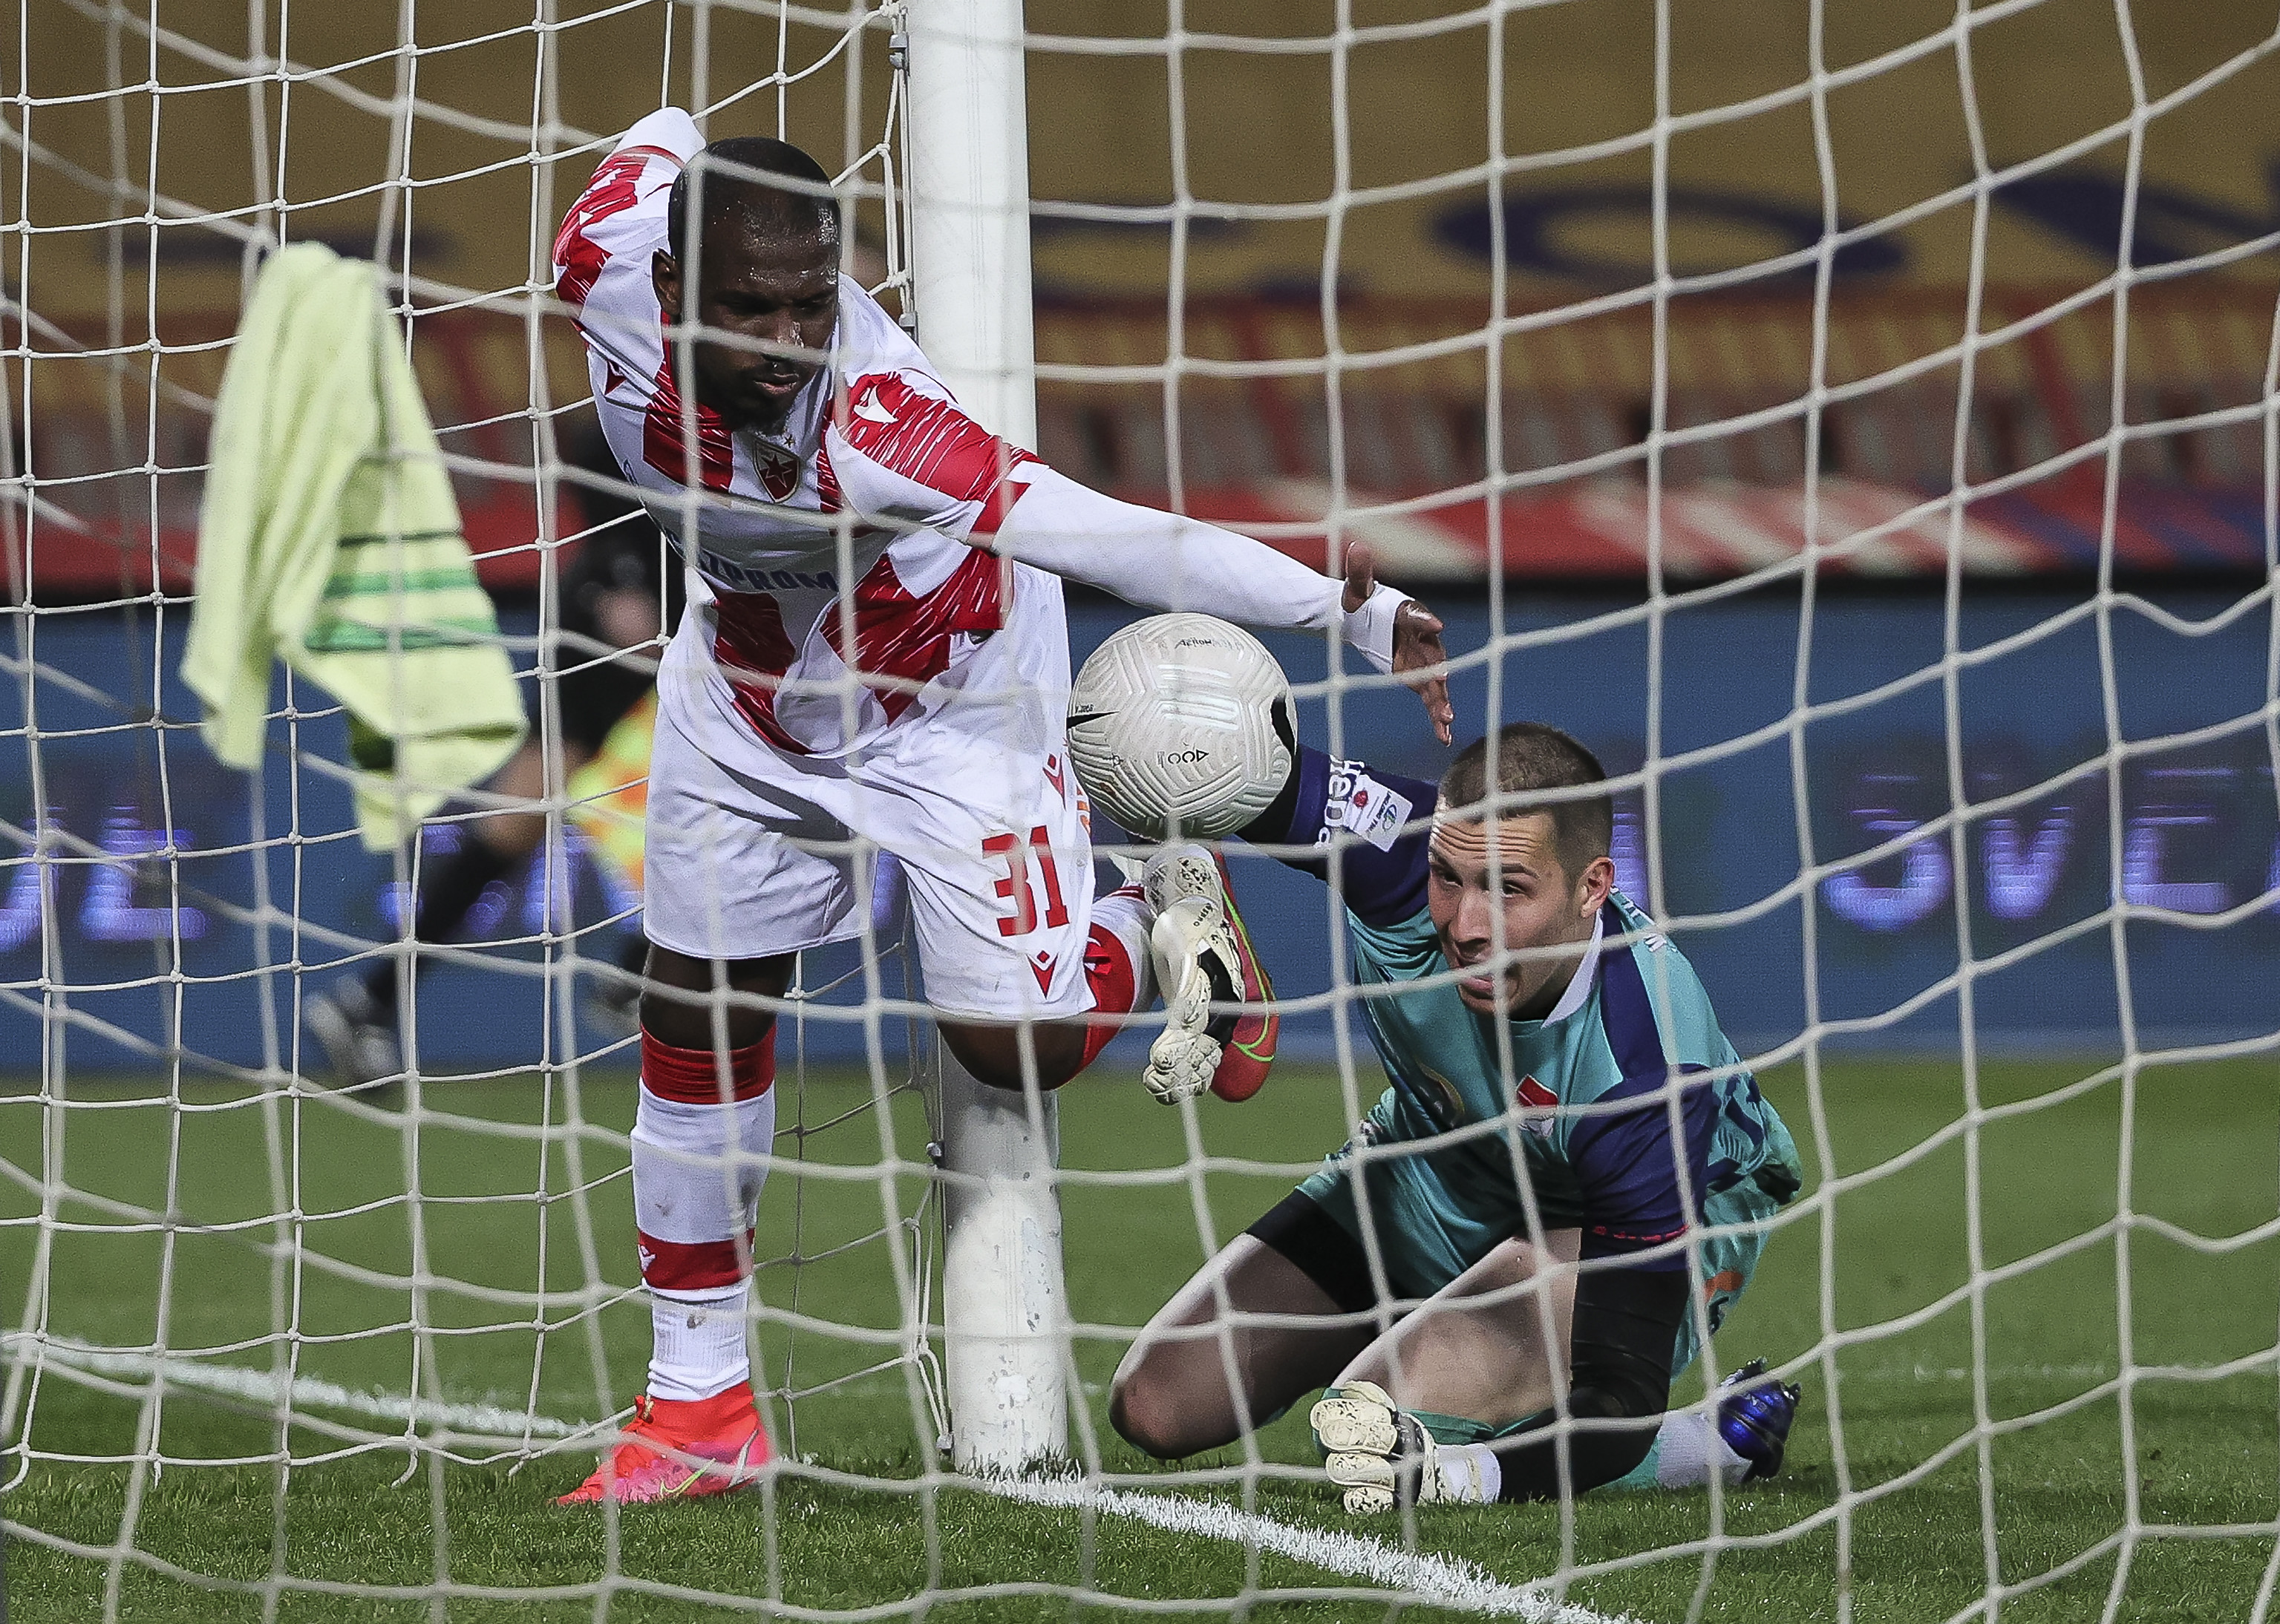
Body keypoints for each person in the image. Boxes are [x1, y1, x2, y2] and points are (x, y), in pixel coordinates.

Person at [546, 109, 1454, 1504]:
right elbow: (660, 132)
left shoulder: (889, 431)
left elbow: (1130, 540)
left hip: (953, 698)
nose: (789, 338)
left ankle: (1144, 898)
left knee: (1011, 1052)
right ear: (666, 291)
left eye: (811, 303)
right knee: (697, 1006)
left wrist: (1356, 610)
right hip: (745, 688)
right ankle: (697, 1405)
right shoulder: (600, 260)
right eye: (750, 307)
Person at [1108, 721, 1806, 1510]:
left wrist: (1462, 1477)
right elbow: (1215, 762)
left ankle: (1705, 1446)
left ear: (1591, 887)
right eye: (1449, 879)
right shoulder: (1394, 846)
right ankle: (1457, 1333)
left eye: (1509, 889)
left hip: (1633, 1215)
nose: (1465, 926)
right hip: (1438, 1164)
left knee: (1361, 1423)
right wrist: (1177, 862)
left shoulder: (1643, 1070)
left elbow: (1620, 1395)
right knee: (1153, 1405)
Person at [304, 422, 683, 1087]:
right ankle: (632, 975)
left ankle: (369, 1002)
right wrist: (623, 580)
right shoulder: (667, 394)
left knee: (531, 817)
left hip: (685, 625)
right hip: (626, 633)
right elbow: (598, 454)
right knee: (540, 814)